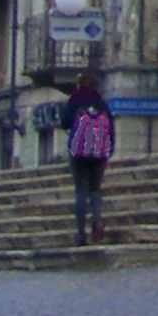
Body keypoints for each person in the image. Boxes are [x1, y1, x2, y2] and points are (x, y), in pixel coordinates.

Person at [65, 73, 115, 247]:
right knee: (94, 191)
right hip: (99, 154)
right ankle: (97, 222)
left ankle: (80, 234)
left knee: (80, 191)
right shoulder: (101, 102)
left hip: (78, 153)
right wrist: (109, 151)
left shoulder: (74, 100)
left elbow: (64, 122)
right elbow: (111, 128)